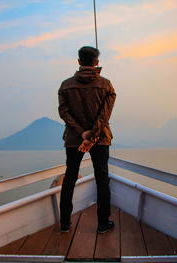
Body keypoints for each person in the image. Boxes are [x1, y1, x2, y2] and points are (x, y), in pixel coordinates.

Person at [58, 46, 116, 234]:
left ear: (79, 62)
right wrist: (92, 136)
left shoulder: (65, 85)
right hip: (100, 140)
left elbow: (64, 113)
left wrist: (82, 134)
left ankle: (65, 223)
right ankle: (102, 224)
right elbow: (104, 116)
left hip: (75, 140)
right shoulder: (106, 85)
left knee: (69, 178)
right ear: (97, 62)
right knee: (102, 179)